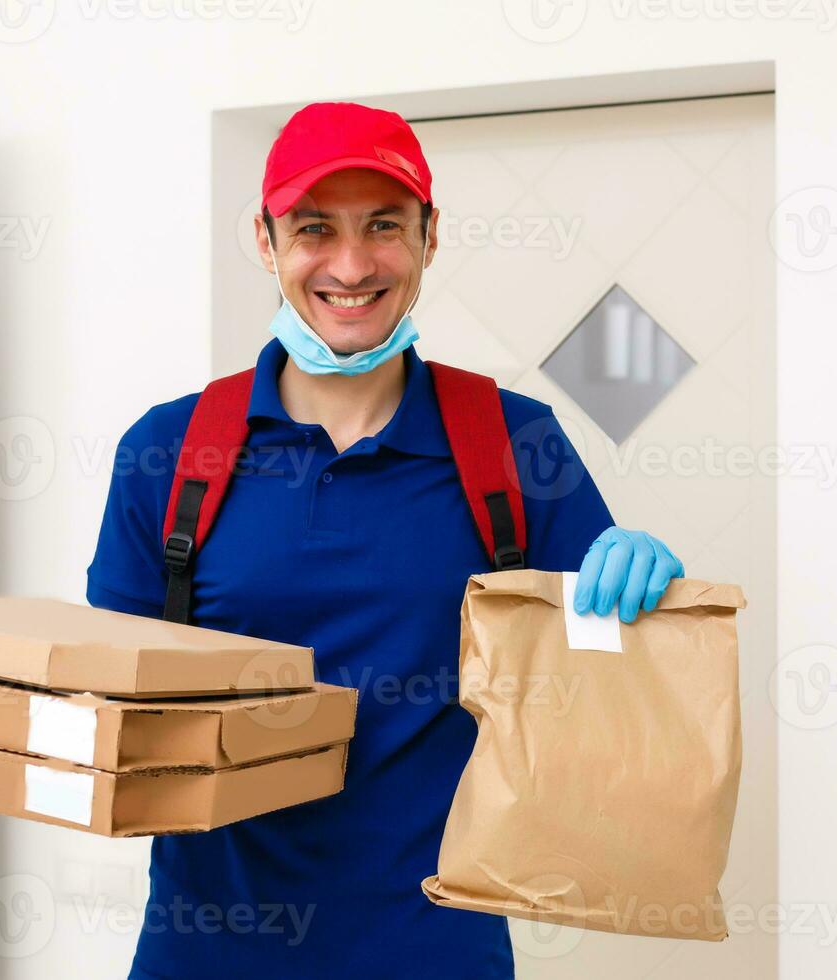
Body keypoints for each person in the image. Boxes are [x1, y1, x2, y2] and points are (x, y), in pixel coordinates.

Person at [87, 101, 683, 980]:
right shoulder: (169, 452)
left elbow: (603, 693)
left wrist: (638, 603)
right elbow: (113, 710)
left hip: (436, 945)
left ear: (429, 237)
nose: (352, 265)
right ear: (264, 239)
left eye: (384, 226)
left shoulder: (515, 445)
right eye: (314, 228)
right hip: (206, 949)